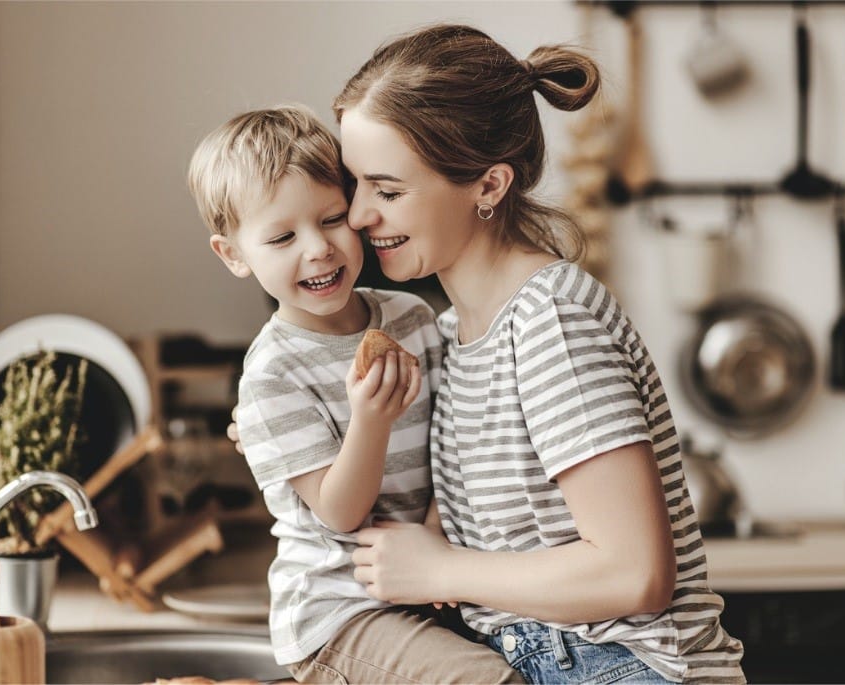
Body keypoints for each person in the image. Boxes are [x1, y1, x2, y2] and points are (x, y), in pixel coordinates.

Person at [230, 25, 745, 684]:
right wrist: (270, 426)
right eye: (354, 184)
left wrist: (439, 569)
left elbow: (635, 571)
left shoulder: (548, 321)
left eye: (387, 190)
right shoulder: (454, 333)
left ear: (489, 186)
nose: (356, 216)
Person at [187, 105, 525, 684]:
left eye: (333, 218)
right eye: (283, 236)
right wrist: (370, 422)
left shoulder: (413, 317)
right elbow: (340, 514)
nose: (317, 248)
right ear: (234, 255)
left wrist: (440, 535)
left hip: (430, 588)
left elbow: (458, 438)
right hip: (341, 617)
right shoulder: (272, 374)